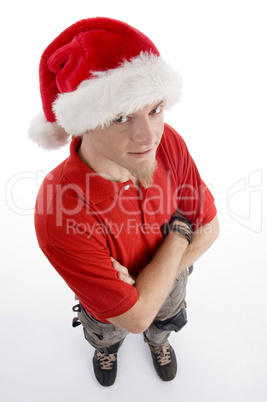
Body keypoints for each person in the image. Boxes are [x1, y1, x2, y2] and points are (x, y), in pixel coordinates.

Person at [29, 17, 219, 387]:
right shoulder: (57, 208)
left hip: (173, 283)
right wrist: (181, 232)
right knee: (108, 330)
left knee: (162, 320)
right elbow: (132, 317)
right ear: (83, 122)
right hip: (107, 312)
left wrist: (141, 290)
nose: (148, 136)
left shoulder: (168, 143)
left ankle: (159, 342)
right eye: (121, 117)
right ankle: (105, 350)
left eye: (155, 109)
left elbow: (211, 228)